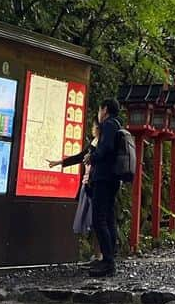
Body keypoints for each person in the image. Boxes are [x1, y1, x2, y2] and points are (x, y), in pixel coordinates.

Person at [51, 101, 122, 276]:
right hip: (110, 179)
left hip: (103, 179)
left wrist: (93, 156)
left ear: (104, 109)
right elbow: (90, 153)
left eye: (100, 109)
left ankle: (108, 262)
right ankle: (108, 259)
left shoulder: (108, 125)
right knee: (108, 219)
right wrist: (62, 162)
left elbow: (105, 149)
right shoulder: (116, 126)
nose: (99, 113)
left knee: (99, 220)